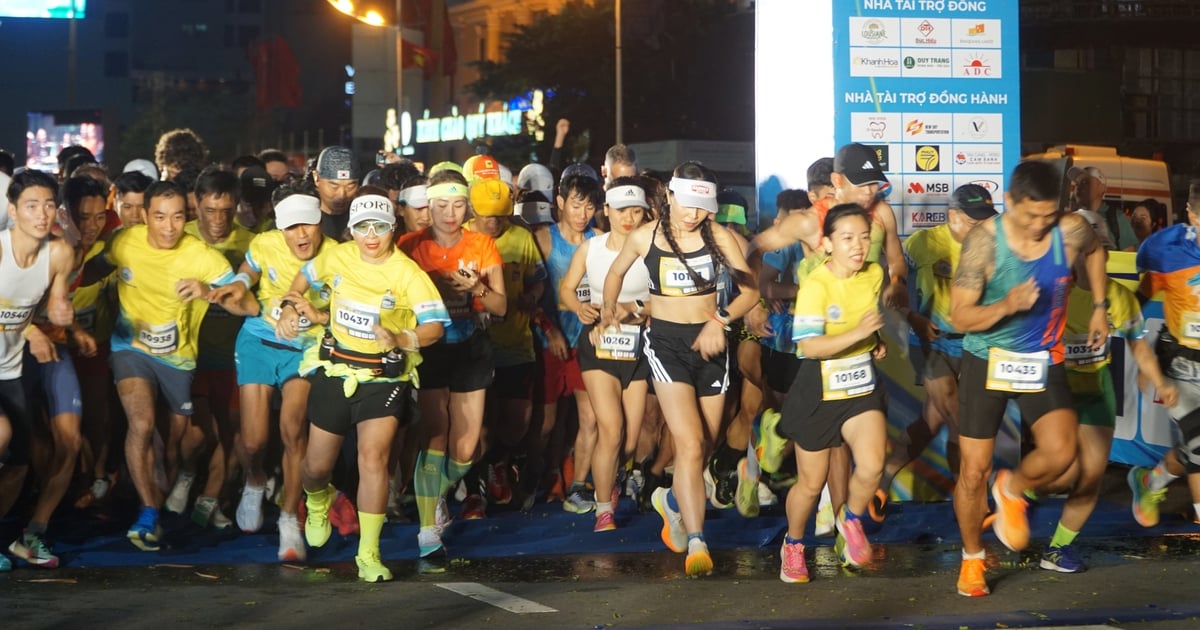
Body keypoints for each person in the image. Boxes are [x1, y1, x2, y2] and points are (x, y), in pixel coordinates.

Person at [949, 159, 1108, 597]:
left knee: (1062, 452)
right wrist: (1007, 304)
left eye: (1048, 216)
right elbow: (959, 314)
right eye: (1030, 215)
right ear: (1009, 201)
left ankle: (1013, 487)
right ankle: (972, 559)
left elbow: (1095, 252)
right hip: (987, 358)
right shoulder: (984, 243)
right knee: (973, 471)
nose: (1040, 226)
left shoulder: (1071, 229)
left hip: (1042, 356)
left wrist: (1098, 305)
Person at [277, 194, 449, 582]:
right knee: (317, 466)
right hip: (337, 370)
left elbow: (435, 327)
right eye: (362, 227)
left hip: (385, 379)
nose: (371, 236)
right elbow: (305, 275)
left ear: (393, 228)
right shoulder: (337, 257)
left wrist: (402, 339)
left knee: (374, 458)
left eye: (381, 226)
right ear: (350, 229)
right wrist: (291, 304)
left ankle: (368, 553)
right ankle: (318, 498)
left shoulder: (408, 274)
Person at [600, 161, 760, 576]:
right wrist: (607, 311)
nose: (692, 214)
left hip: (711, 346)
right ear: (669, 196)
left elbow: (750, 292)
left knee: (704, 445)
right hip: (666, 345)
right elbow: (615, 273)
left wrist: (719, 321)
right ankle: (697, 541)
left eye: (701, 206)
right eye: (686, 203)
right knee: (688, 445)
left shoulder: (721, 237)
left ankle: (671, 501)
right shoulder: (645, 236)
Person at [84, 180, 254, 551]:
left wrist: (209, 293)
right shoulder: (124, 242)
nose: (168, 227)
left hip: (179, 360)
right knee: (141, 423)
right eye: (159, 217)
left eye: (177, 217)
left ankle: (160, 497)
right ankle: (147, 512)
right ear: (144, 216)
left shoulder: (203, 256)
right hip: (130, 349)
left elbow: (247, 305)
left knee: (174, 446)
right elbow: (89, 270)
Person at [1035, 242, 1177, 573]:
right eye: (1082, 252)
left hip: (1098, 392)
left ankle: (1057, 549)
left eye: (1096, 251)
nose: (1090, 259)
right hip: (1057, 389)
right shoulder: (1053, 290)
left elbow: (1138, 346)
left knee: (1090, 478)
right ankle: (1021, 491)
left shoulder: (1119, 296)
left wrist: (1159, 380)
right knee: (1064, 469)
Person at [396, 173, 505, 571]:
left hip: (472, 346)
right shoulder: (410, 246)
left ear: (468, 206)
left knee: (466, 449)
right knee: (435, 436)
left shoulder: (482, 244)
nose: (449, 213)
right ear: (429, 205)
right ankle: (428, 531)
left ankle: (430, 496)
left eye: (457, 205)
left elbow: (501, 307)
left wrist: (476, 288)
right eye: (440, 205)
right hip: (431, 348)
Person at [776, 203, 889, 582]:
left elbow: (866, 318)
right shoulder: (816, 286)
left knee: (873, 464)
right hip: (818, 389)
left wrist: (875, 342)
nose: (858, 246)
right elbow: (809, 347)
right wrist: (860, 334)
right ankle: (793, 544)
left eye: (864, 238)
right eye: (847, 238)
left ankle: (851, 521)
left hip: (860, 386)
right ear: (827, 243)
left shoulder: (873, 274)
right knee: (811, 484)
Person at [878, 184, 998, 502]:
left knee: (931, 423)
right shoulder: (923, 243)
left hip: (973, 345)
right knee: (960, 419)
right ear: (953, 215)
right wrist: (912, 317)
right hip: (932, 344)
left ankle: (884, 477)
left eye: (986, 220)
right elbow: (893, 291)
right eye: (974, 220)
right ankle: (973, 497)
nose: (982, 227)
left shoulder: (993, 246)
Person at [560, 177, 652, 532]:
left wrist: (632, 307)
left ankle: (610, 482)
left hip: (640, 347)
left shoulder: (650, 249)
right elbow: (567, 288)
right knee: (610, 430)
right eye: (621, 210)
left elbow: (666, 301)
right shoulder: (592, 248)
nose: (628, 218)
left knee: (629, 441)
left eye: (636, 211)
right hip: (599, 345)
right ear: (607, 210)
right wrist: (579, 308)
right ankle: (603, 509)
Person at [0, 170, 77, 570]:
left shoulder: (60, 254)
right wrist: (30, 330)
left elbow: (56, 305)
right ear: (13, 211)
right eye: (32, 205)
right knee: (2, 434)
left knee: (19, 463)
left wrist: (59, 314)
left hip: (11, 371)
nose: (42, 213)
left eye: (49, 204)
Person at [465, 179, 546, 514]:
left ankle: (498, 462)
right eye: (487, 216)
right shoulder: (463, 237)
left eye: (501, 215)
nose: (494, 222)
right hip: (474, 346)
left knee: (518, 420)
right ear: (473, 211)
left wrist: (532, 296)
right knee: (478, 424)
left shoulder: (521, 238)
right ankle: (474, 491)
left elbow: (538, 279)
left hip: (515, 343)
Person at [1128, 179, 1200, 530]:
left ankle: (1150, 481)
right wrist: (1146, 360)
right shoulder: (1165, 249)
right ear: (1191, 215)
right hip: (1180, 361)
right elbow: (1134, 305)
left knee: (1191, 450)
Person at [534, 173, 603, 513]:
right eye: (576, 205)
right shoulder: (543, 239)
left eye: (590, 206)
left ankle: (578, 486)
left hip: (588, 341)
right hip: (549, 340)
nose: (582, 214)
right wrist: (549, 330)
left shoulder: (600, 239)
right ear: (560, 202)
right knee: (546, 423)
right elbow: (527, 294)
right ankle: (538, 478)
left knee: (589, 418)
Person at [1072, 166, 1136, 251]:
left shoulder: (1116, 217)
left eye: (1085, 182)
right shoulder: (1072, 218)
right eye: (1077, 183)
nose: (1078, 187)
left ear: (1102, 188)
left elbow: (1128, 253)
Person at [312, 146, 360, 241]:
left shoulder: (363, 220)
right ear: (316, 178)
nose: (342, 195)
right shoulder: (303, 219)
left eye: (350, 186)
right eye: (334, 186)